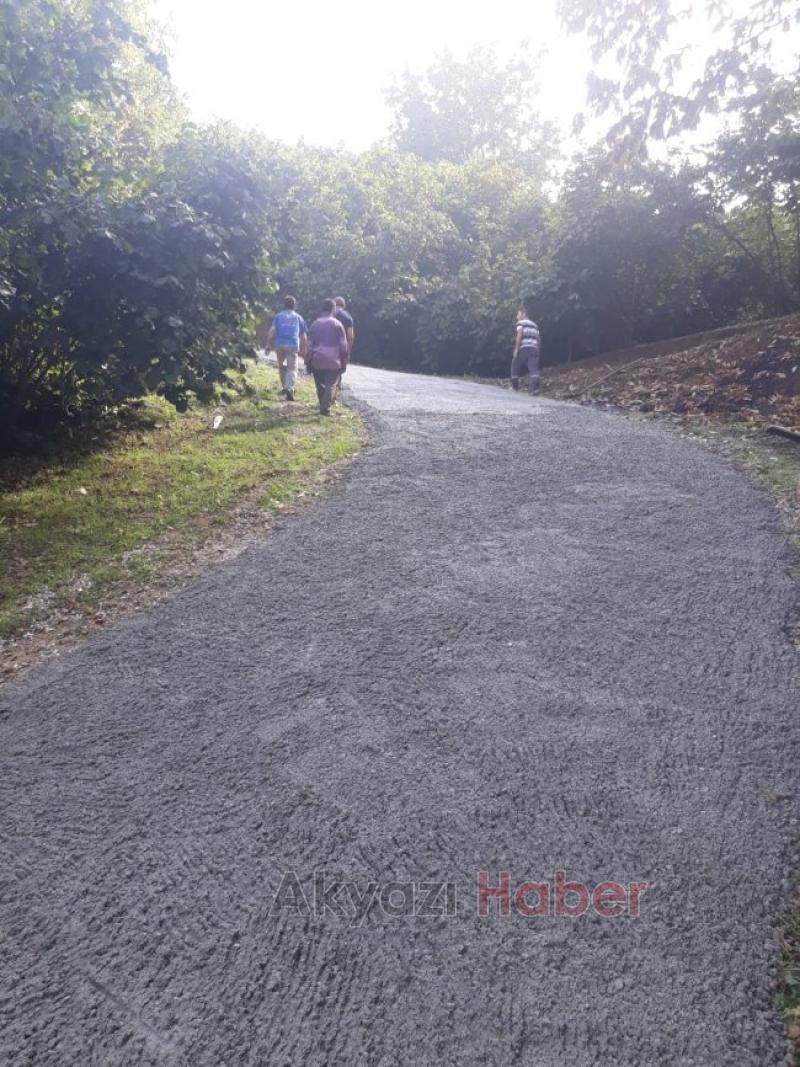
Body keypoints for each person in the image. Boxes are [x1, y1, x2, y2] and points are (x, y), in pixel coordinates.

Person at [306, 299, 349, 415]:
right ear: (333, 309)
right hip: (333, 361)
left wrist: (307, 361)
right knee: (330, 385)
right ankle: (325, 408)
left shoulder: (315, 324)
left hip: (317, 360)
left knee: (319, 384)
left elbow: (309, 346)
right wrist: (344, 362)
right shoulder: (338, 325)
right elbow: (343, 347)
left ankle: (322, 405)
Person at [266, 295, 307, 402]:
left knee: (281, 366)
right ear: (294, 305)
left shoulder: (278, 316)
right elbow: (303, 336)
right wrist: (304, 349)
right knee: (292, 368)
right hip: (293, 344)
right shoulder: (298, 317)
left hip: (279, 344)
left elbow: (272, 330)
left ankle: (285, 386)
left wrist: (268, 344)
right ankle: (288, 388)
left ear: (284, 305)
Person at [511, 307, 541, 394]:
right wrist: (537, 350)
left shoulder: (520, 323)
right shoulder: (535, 325)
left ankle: (514, 386)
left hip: (524, 348)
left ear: (523, 314)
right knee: (533, 368)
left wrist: (516, 349)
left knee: (515, 364)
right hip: (533, 348)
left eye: (518, 314)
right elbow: (539, 339)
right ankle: (535, 389)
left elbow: (519, 335)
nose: (517, 317)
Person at [332, 297, 354, 403]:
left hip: (326, 346)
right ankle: (333, 396)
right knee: (338, 372)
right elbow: (350, 336)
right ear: (344, 305)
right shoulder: (347, 317)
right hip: (341, 348)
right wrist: (348, 350)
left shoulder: (329, 315)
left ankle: (325, 395)